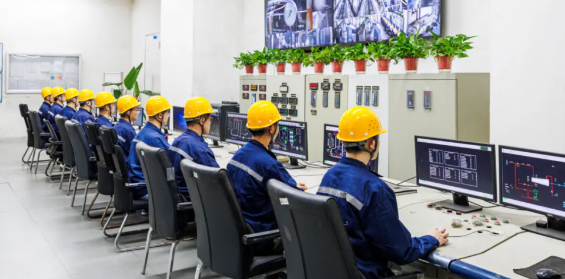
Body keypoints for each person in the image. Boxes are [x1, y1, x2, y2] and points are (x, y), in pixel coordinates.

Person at [318, 107, 448, 279]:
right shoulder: (375, 189)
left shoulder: (329, 176)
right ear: (372, 144)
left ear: (343, 142)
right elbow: (402, 251)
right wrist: (431, 239)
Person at [227, 101, 307, 237]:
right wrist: (297, 189)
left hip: (241, 228)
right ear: (271, 128)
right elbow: (294, 199)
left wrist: (291, 186)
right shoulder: (270, 165)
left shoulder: (237, 157)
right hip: (263, 233)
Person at [168, 97, 219, 200]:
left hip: (176, 197)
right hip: (193, 200)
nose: (210, 123)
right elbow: (218, 181)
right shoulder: (200, 150)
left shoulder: (177, 141)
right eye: (210, 119)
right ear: (202, 120)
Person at [127, 96, 171, 200]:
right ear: (160, 115)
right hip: (146, 189)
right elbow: (172, 163)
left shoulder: (143, 133)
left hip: (138, 185)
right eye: (167, 113)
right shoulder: (156, 139)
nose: (168, 116)